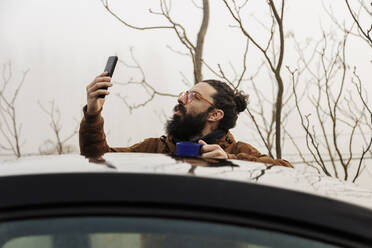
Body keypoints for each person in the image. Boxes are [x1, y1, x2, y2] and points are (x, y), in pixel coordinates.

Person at [79, 72, 292, 168]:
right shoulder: (154, 148)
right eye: (184, 94)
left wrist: (231, 161)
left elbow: (287, 171)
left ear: (215, 114)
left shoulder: (237, 152)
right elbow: (96, 158)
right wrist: (92, 113)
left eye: (192, 97)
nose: (181, 99)